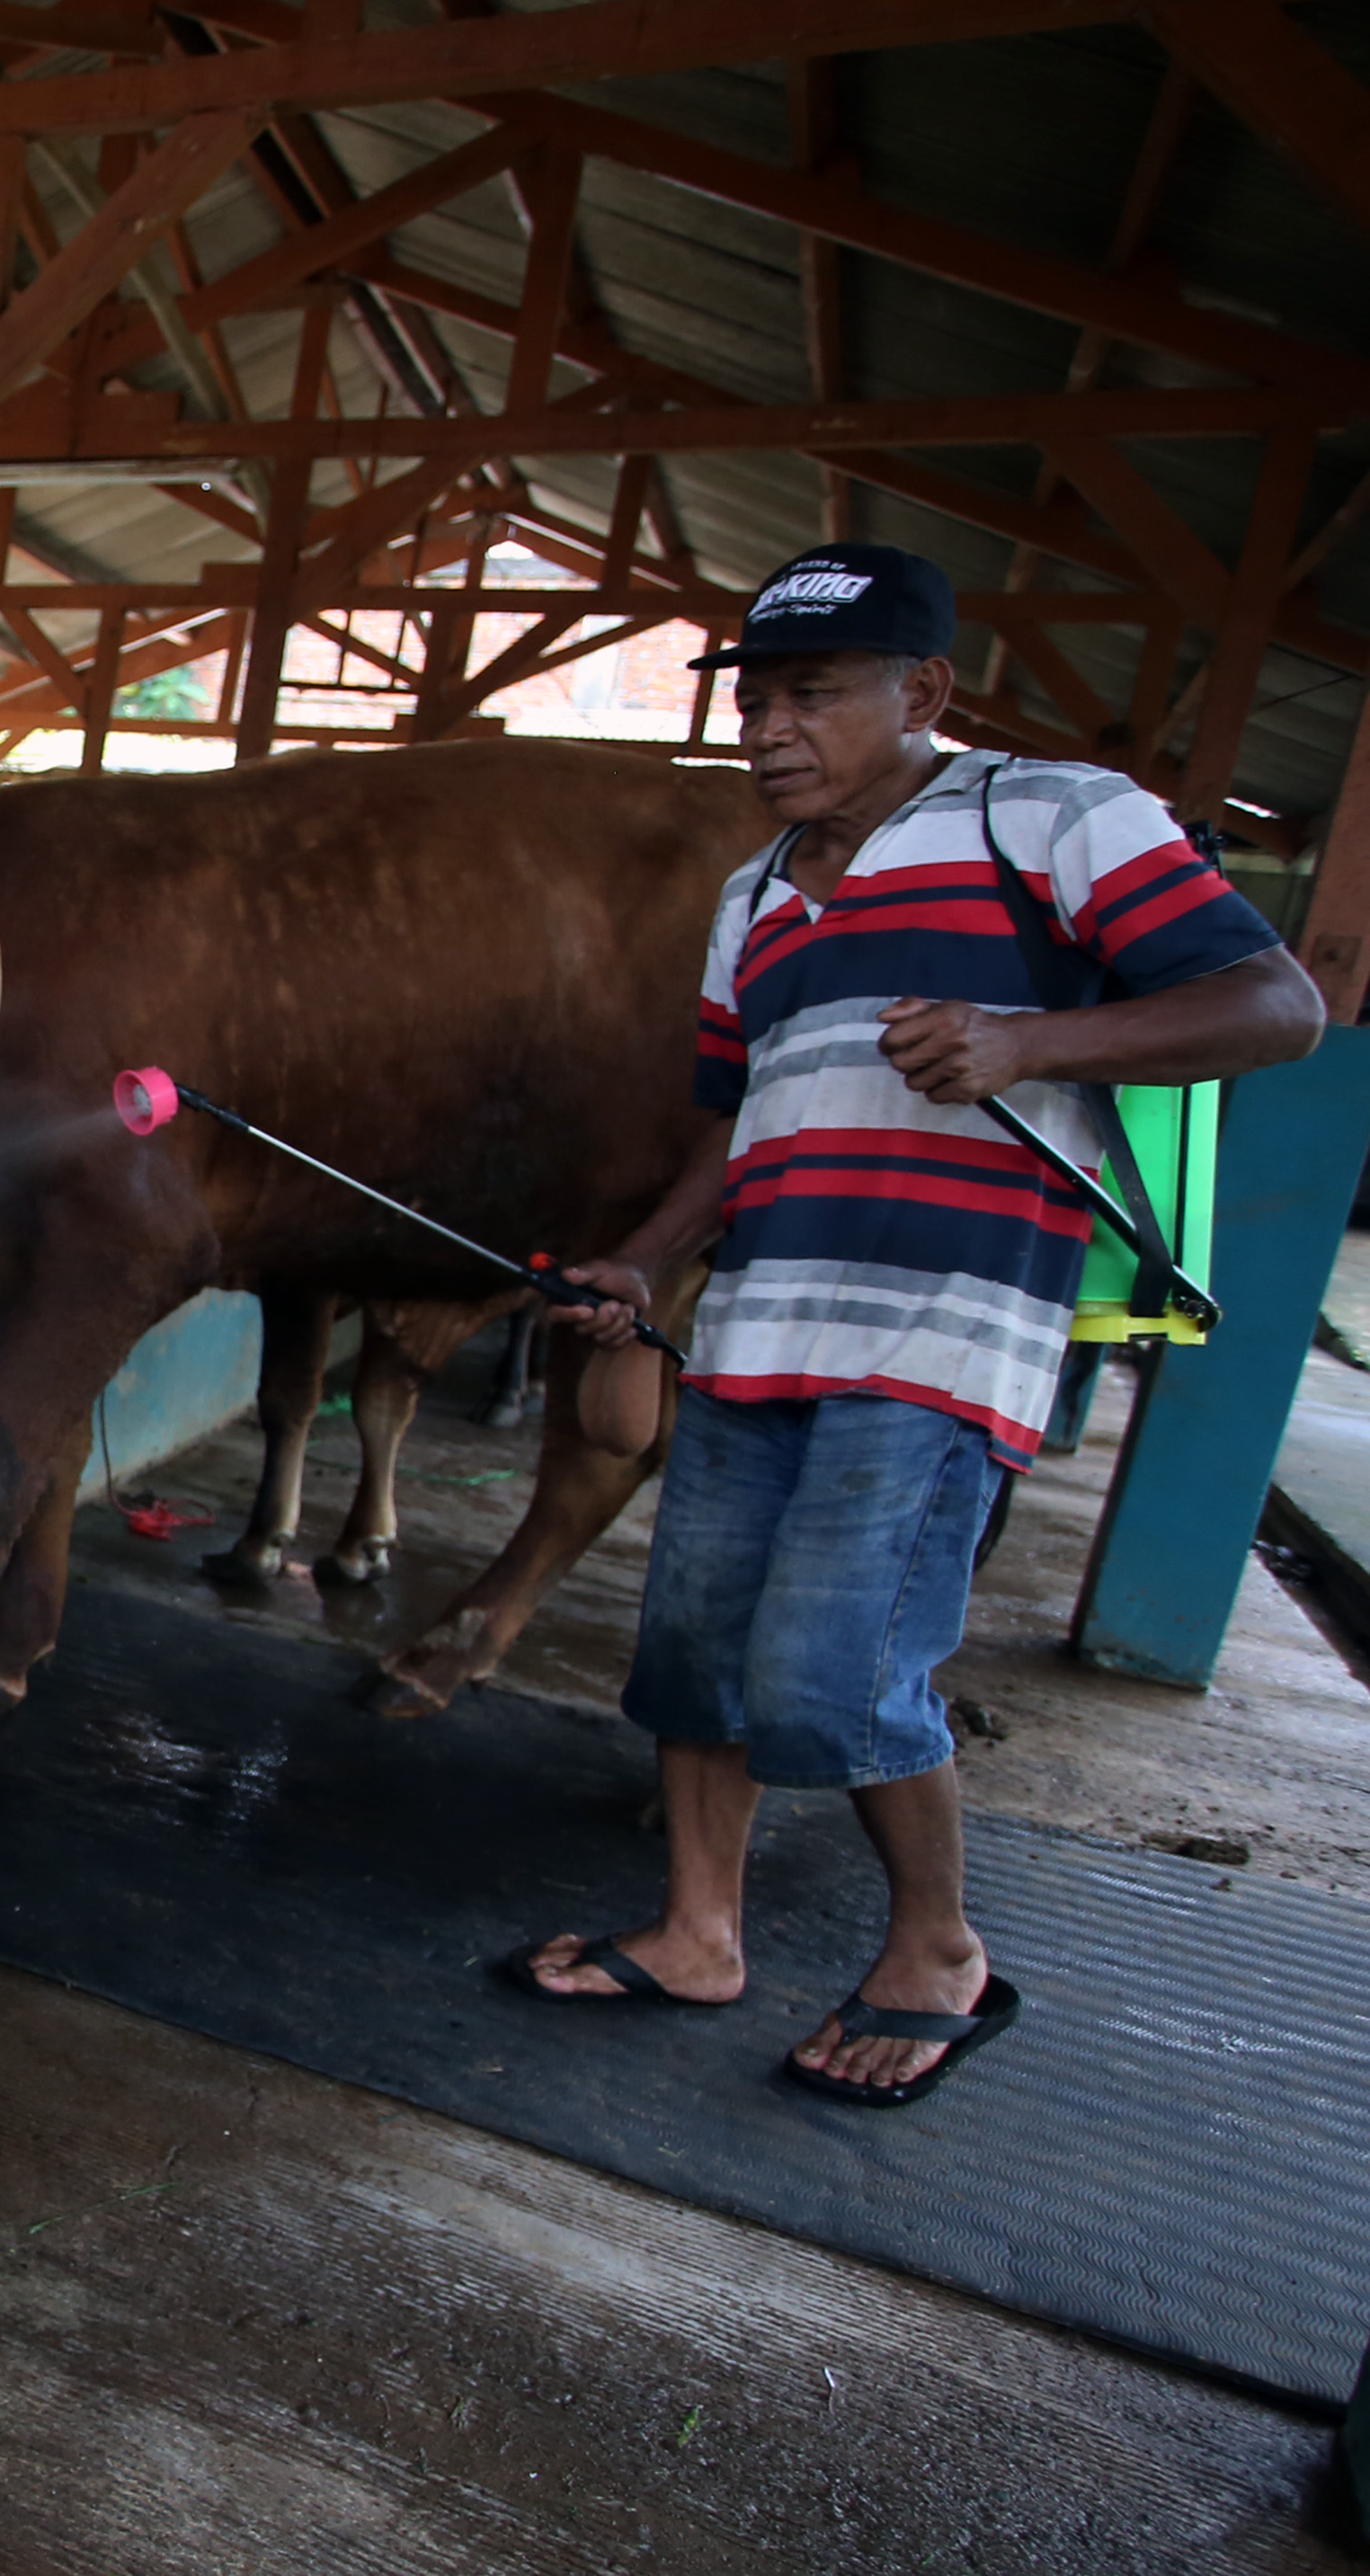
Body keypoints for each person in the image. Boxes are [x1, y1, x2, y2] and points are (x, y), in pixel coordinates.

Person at [512, 540, 1327, 2106]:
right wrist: (647, 1261)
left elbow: (1275, 1005)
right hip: (758, 1326)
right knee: (691, 1650)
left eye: (811, 696)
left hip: (945, 1332)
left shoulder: (1056, 815)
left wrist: (1035, 1038)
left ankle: (938, 1949)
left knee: (834, 1669)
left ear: (926, 693)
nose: (769, 731)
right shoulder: (754, 892)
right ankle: (700, 1929)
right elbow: (738, 1116)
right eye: (756, 700)